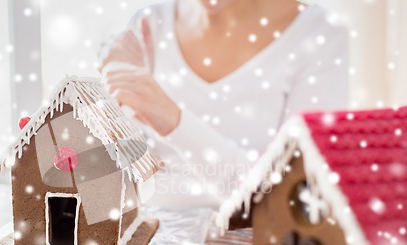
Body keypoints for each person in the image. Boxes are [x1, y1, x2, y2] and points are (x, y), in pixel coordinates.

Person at [99, 0, 349, 209]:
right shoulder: (150, 23)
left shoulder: (320, 37)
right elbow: (122, 176)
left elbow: (288, 199)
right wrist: (107, 102)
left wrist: (174, 122)